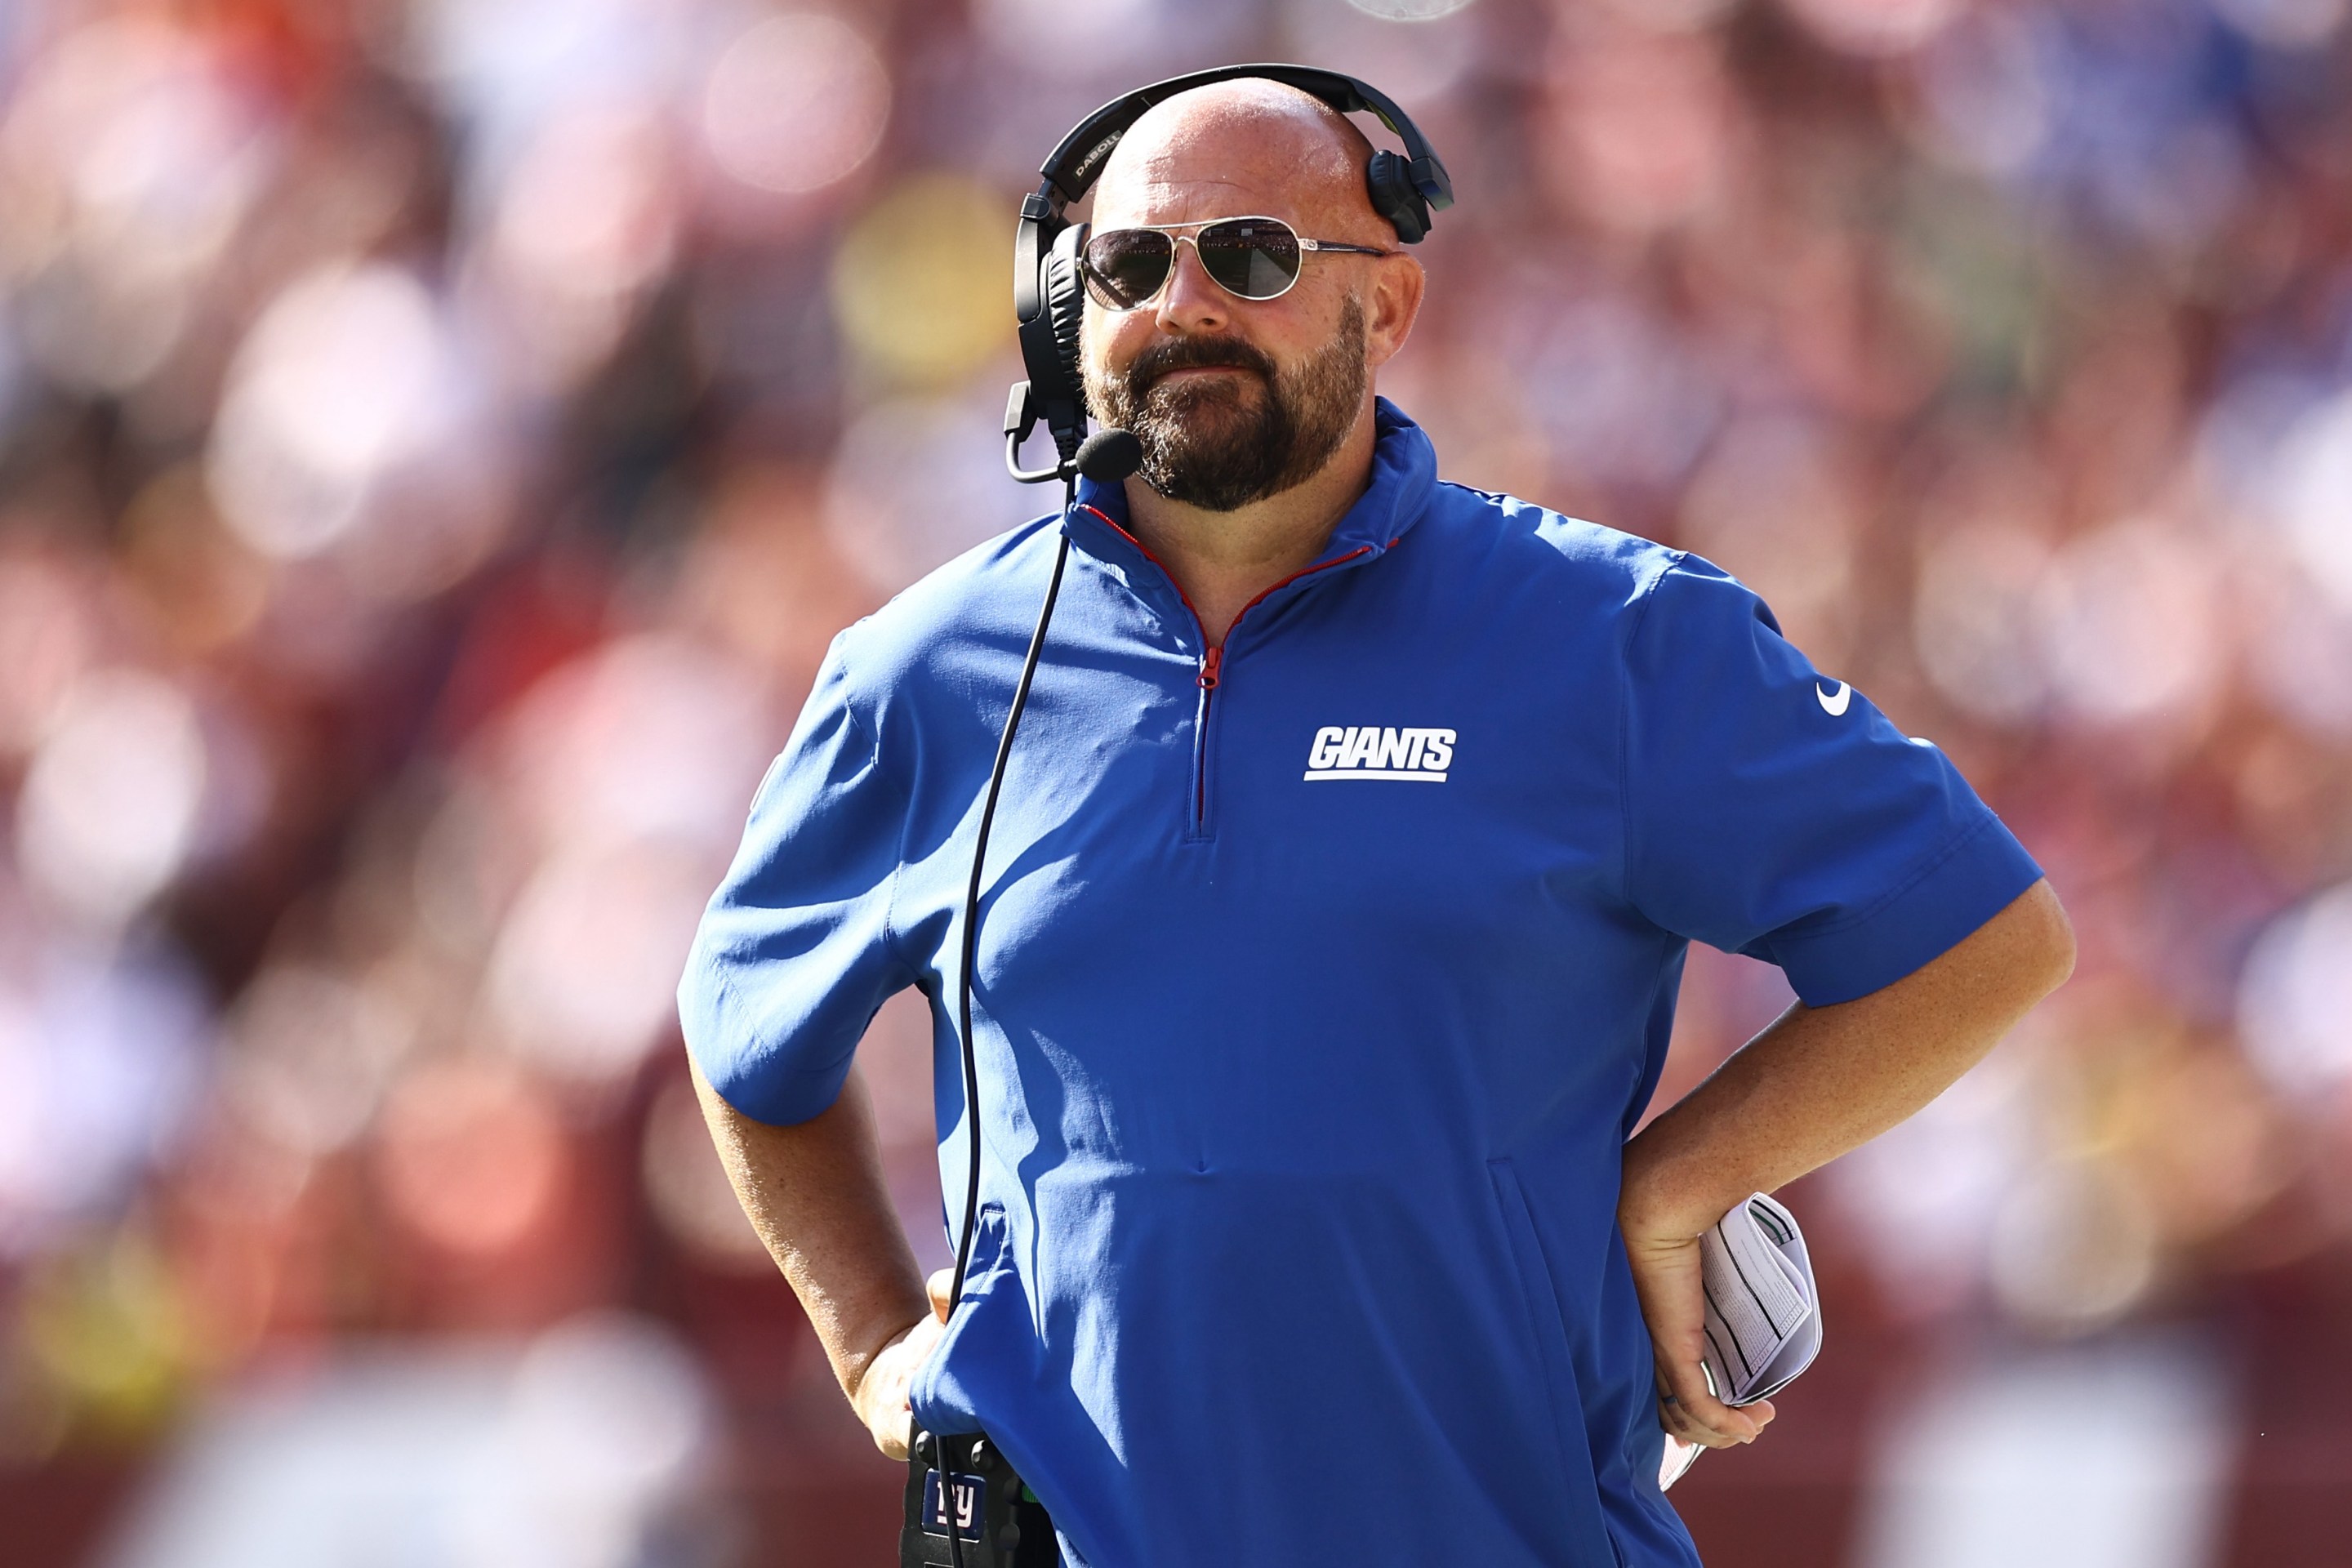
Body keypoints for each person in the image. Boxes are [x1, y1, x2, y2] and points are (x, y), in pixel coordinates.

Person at [678, 78, 2074, 1568]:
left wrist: (1682, 1180)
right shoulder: (932, 668)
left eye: (1255, 255)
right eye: (1131, 268)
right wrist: (876, 1339)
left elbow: (1981, 936)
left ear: (1389, 303)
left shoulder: (1610, 635)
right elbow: (747, 1027)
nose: (1186, 303)